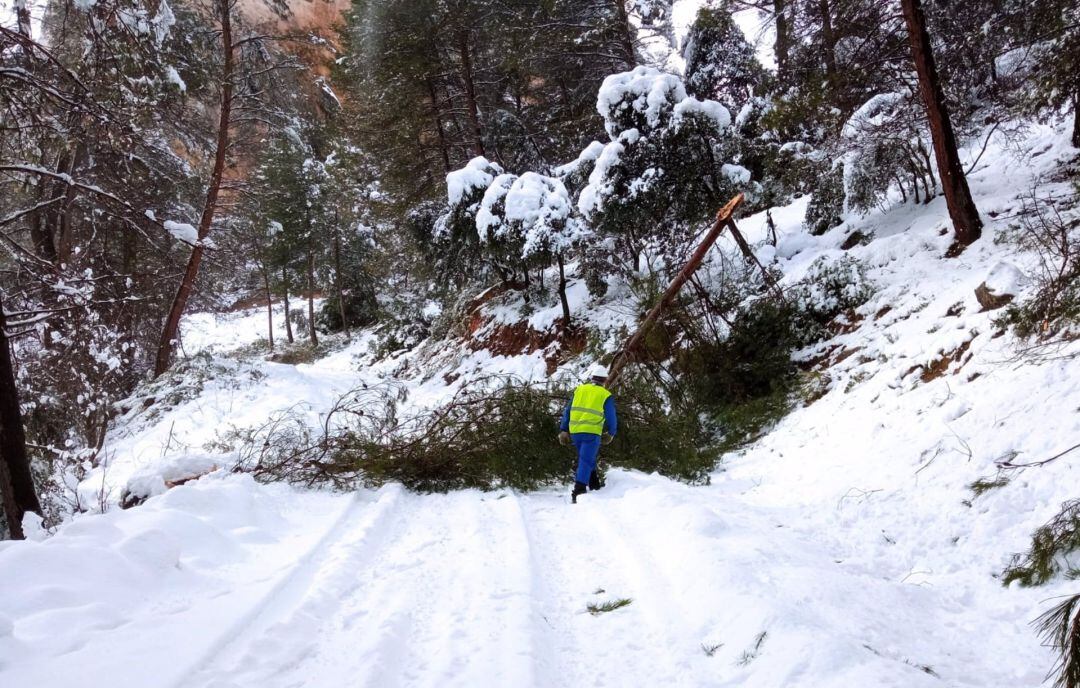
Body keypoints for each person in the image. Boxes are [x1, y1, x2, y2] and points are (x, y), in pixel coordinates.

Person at [558, 364, 617, 503]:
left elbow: (568, 410)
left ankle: (594, 483)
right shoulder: (605, 394)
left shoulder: (579, 390)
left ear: (592, 378)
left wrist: (564, 430)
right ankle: (578, 490)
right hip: (591, 433)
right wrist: (611, 432)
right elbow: (611, 416)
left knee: (586, 458)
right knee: (585, 460)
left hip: (576, 432)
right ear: (604, 380)